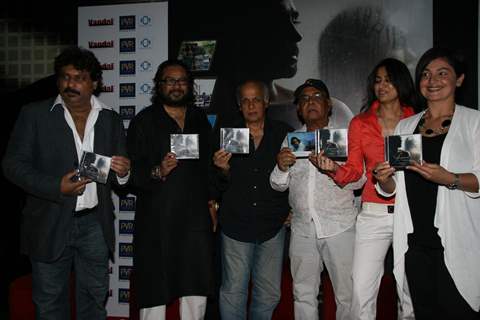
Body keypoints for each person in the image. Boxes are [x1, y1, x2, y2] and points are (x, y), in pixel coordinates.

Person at [2, 46, 130, 320]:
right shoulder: (34, 114)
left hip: (96, 224)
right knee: (49, 303)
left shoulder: (111, 118)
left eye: (79, 78)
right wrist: (55, 187)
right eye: (65, 77)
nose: (70, 84)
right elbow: (12, 165)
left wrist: (123, 171)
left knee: (94, 302)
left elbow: (122, 175)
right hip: (48, 221)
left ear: (95, 83)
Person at [374, 48, 480, 319]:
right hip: (415, 243)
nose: (432, 80)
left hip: (457, 241)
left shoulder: (474, 122)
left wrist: (450, 179)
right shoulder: (405, 126)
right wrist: (384, 180)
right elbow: (395, 188)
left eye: (442, 73)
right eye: (425, 74)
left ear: (459, 79)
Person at [317, 58, 417, 320]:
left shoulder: (417, 118)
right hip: (373, 212)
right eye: (378, 80)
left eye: (388, 79)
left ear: (401, 82)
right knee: (361, 289)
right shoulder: (360, 123)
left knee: (408, 292)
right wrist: (331, 169)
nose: (382, 85)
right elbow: (353, 170)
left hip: (412, 212)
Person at [270, 79, 365, 320]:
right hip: (302, 229)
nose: (310, 102)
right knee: (302, 294)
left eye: (316, 97)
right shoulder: (291, 140)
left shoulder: (345, 138)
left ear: (328, 104)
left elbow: (360, 181)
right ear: (299, 109)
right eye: (304, 99)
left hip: (340, 227)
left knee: (347, 295)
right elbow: (278, 185)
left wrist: (334, 169)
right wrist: (281, 167)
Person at [127, 59, 214, 320]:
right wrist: (158, 171)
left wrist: (213, 203)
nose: (176, 86)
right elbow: (130, 173)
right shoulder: (144, 121)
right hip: (157, 220)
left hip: (195, 219)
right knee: (154, 290)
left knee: (195, 287)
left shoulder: (200, 119)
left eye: (182, 81)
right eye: (170, 80)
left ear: (190, 86)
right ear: (159, 85)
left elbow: (209, 170)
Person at [212, 80, 292, 319]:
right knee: (233, 292)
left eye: (256, 99)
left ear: (266, 102)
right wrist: (222, 170)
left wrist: (293, 207)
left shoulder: (283, 133)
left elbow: (296, 176)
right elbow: (215, 184)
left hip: (272, 225)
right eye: (245, 100)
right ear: (239, 106)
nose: (251, 105)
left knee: (269, 293)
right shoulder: (226, 135)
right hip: (236, 224)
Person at [209, 0, 352, 130]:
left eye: (294, 20)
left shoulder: (334, 113)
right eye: (276, 23)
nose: (297, 35)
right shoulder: (209, 116)